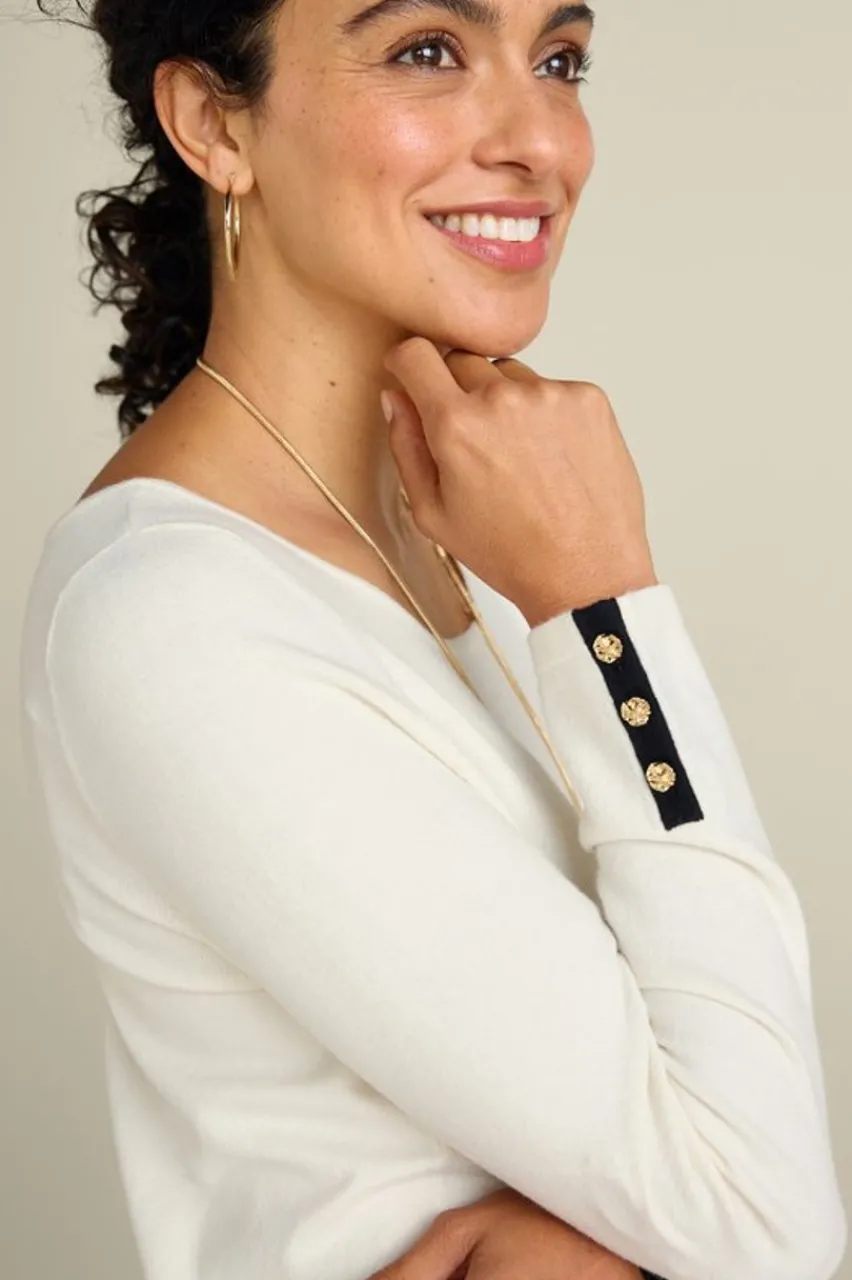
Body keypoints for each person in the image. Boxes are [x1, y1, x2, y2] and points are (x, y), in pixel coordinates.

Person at [19, 2, 847, 1279]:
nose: (542, 141)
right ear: (213, 122)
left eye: (560, 60)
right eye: (426, 50)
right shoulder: (171, 615)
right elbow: (769, 1225)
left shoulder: (484, 520)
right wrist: (606, 603)